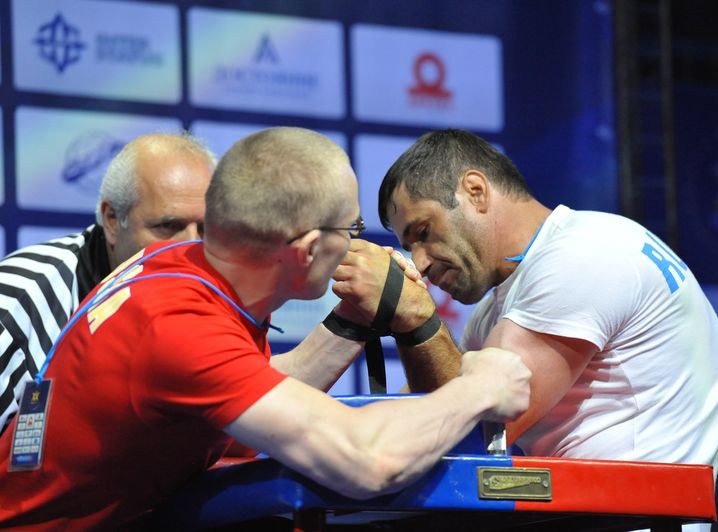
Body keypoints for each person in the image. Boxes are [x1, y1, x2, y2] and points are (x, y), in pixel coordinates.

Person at [0, 127, 530, 529]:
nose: (356, 244)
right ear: (305, 250)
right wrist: (479, 388)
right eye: (351, 229)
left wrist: (351, 318)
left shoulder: (185, 269)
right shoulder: (178, 329)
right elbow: (368, 460)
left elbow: (255, 384)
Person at [378, 128, 718, 468]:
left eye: (423, 233)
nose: (419, 264)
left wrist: (415, 317)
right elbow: (427, 416)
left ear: (475, 191)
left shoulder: (582, 255)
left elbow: (477, 435)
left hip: (637, 519)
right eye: (410, 248)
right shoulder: (497, 306)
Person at [0, 132, 215, 433]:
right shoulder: (17, 303)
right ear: (112, 220)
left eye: (206, 229)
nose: (191, 249)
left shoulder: (218, 291)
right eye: (169, 226)